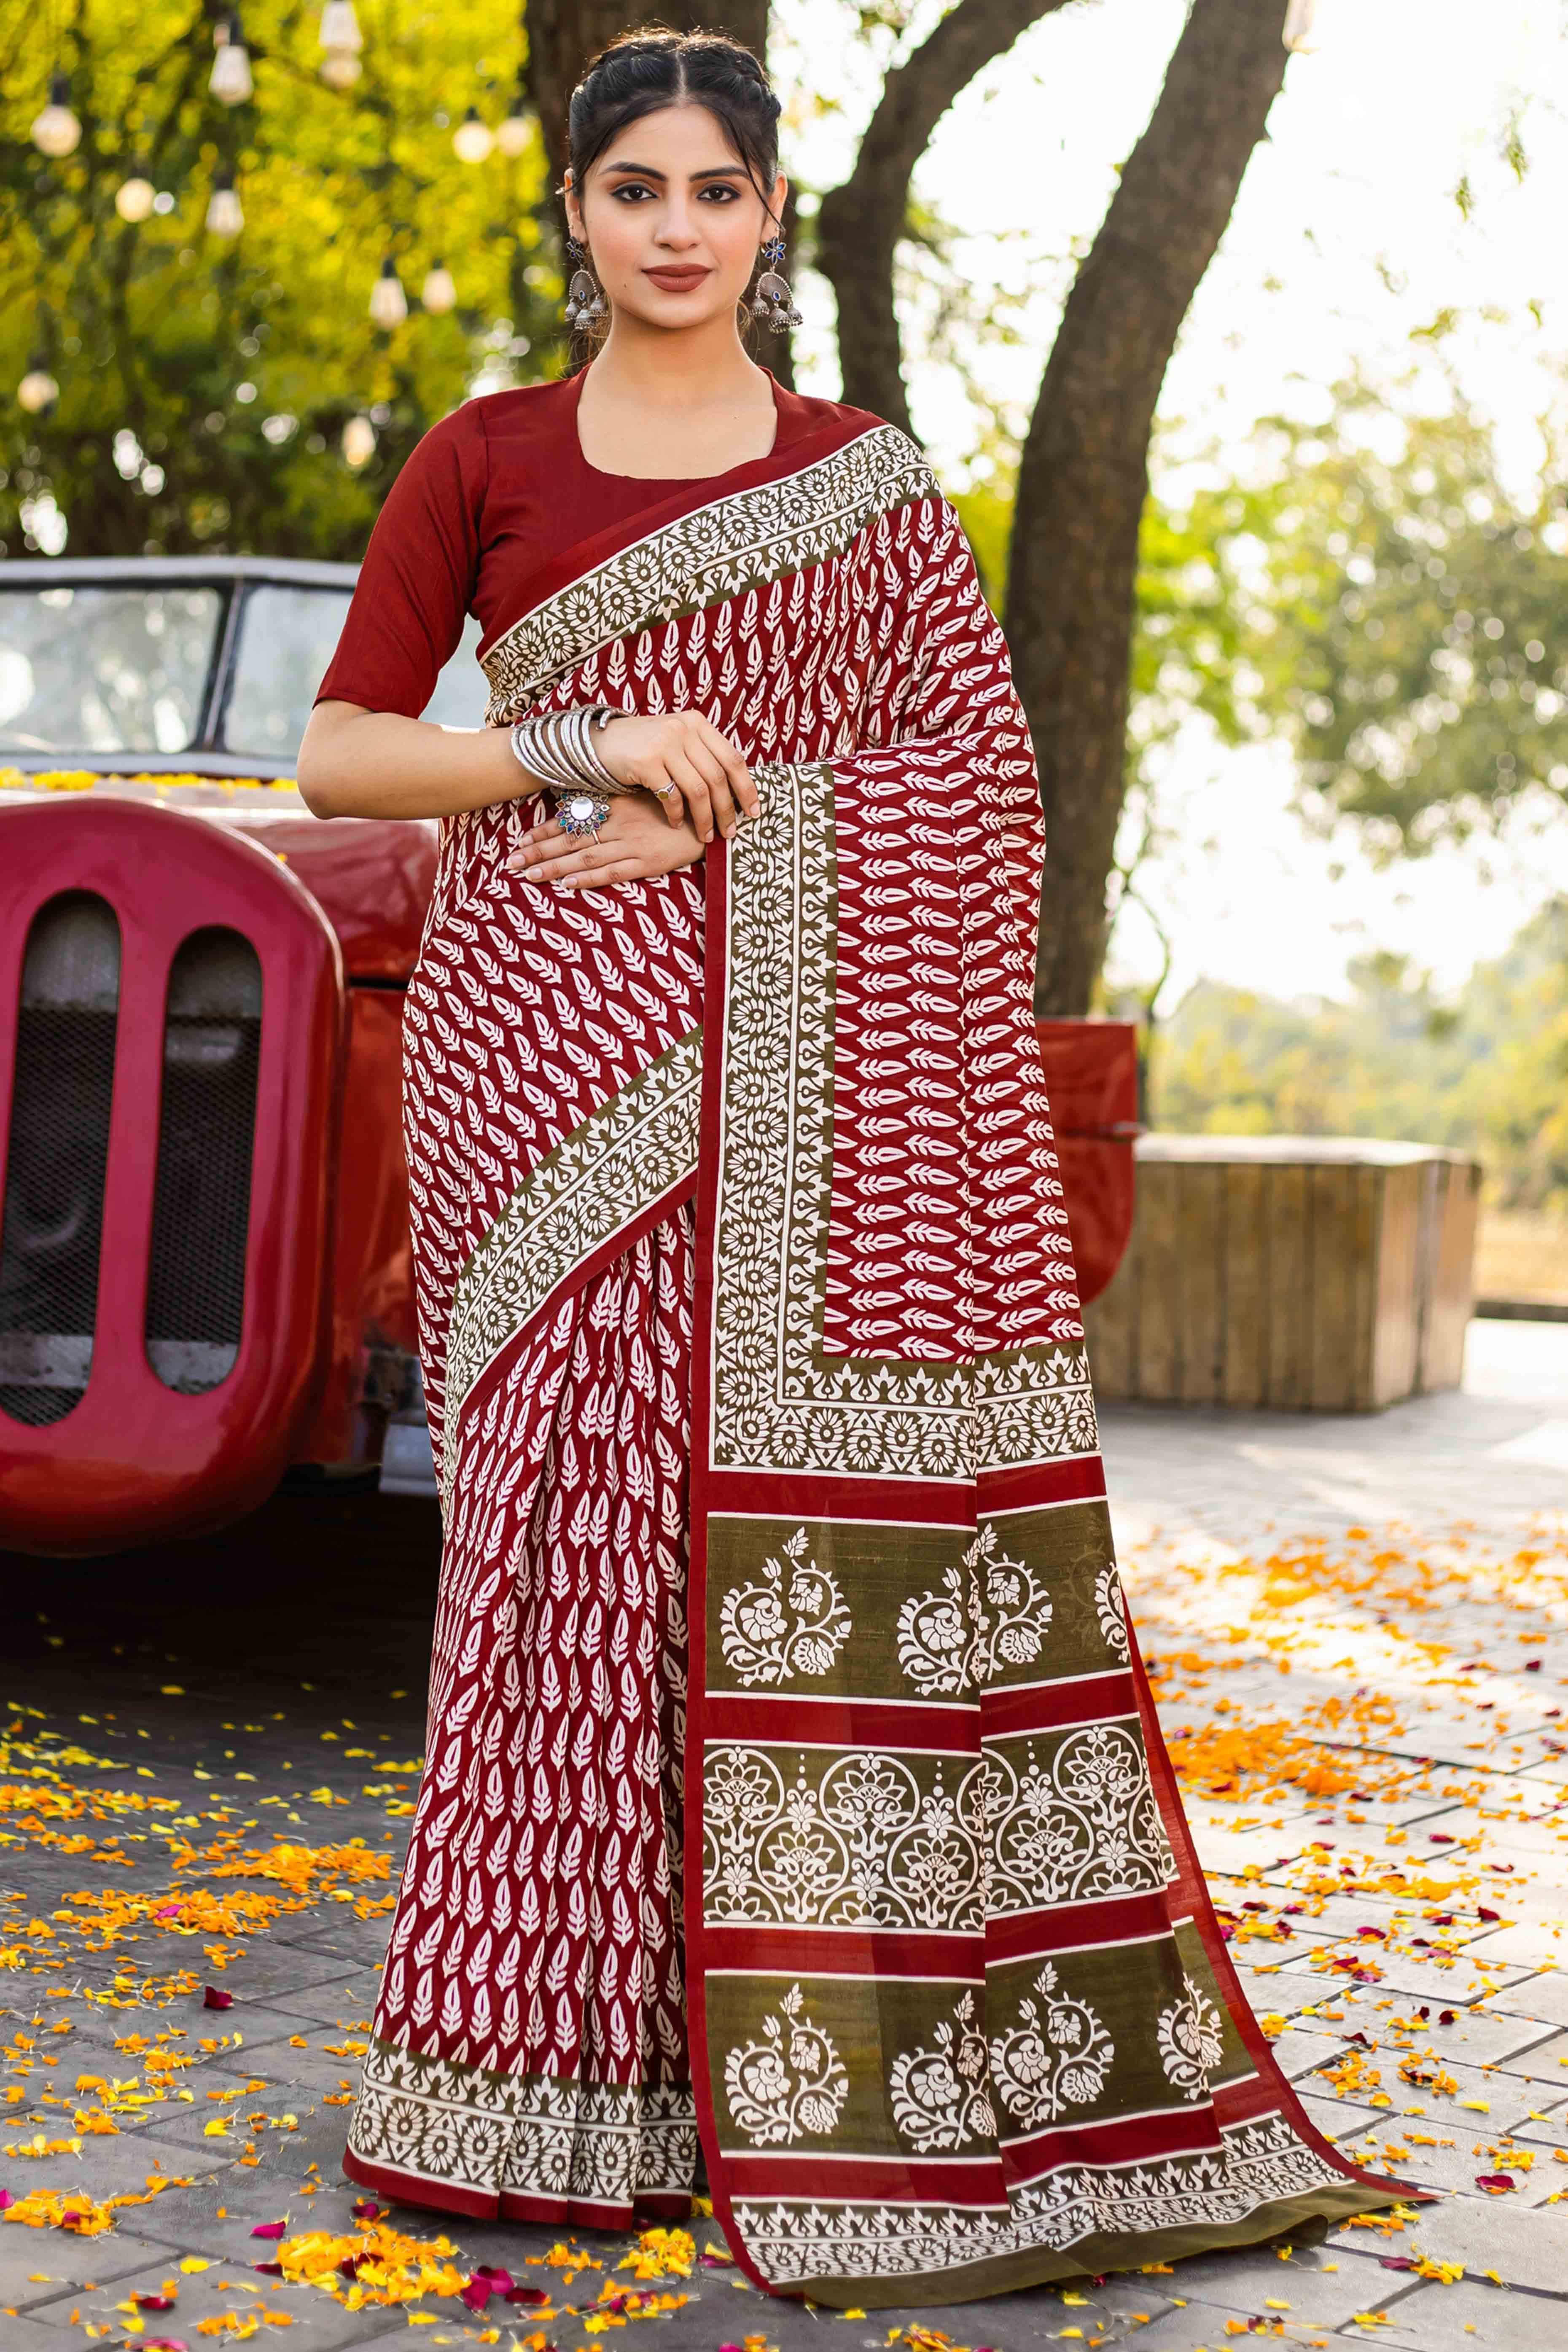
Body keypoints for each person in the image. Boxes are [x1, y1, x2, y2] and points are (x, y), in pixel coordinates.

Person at [296, 26, 1409, 2306]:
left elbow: (974, 795)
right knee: (557, 1545)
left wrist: (749, 821)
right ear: (577, 212)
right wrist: (570, 739)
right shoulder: (485, 455)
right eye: (634, 190)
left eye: (715, 189)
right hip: (544, 1060)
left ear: (768, 215)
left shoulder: (865, 482)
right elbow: (344, 749)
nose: (675, 226)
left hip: (816, 1107)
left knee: (744, 1567)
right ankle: (518, 2077)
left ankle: (762, 2086)